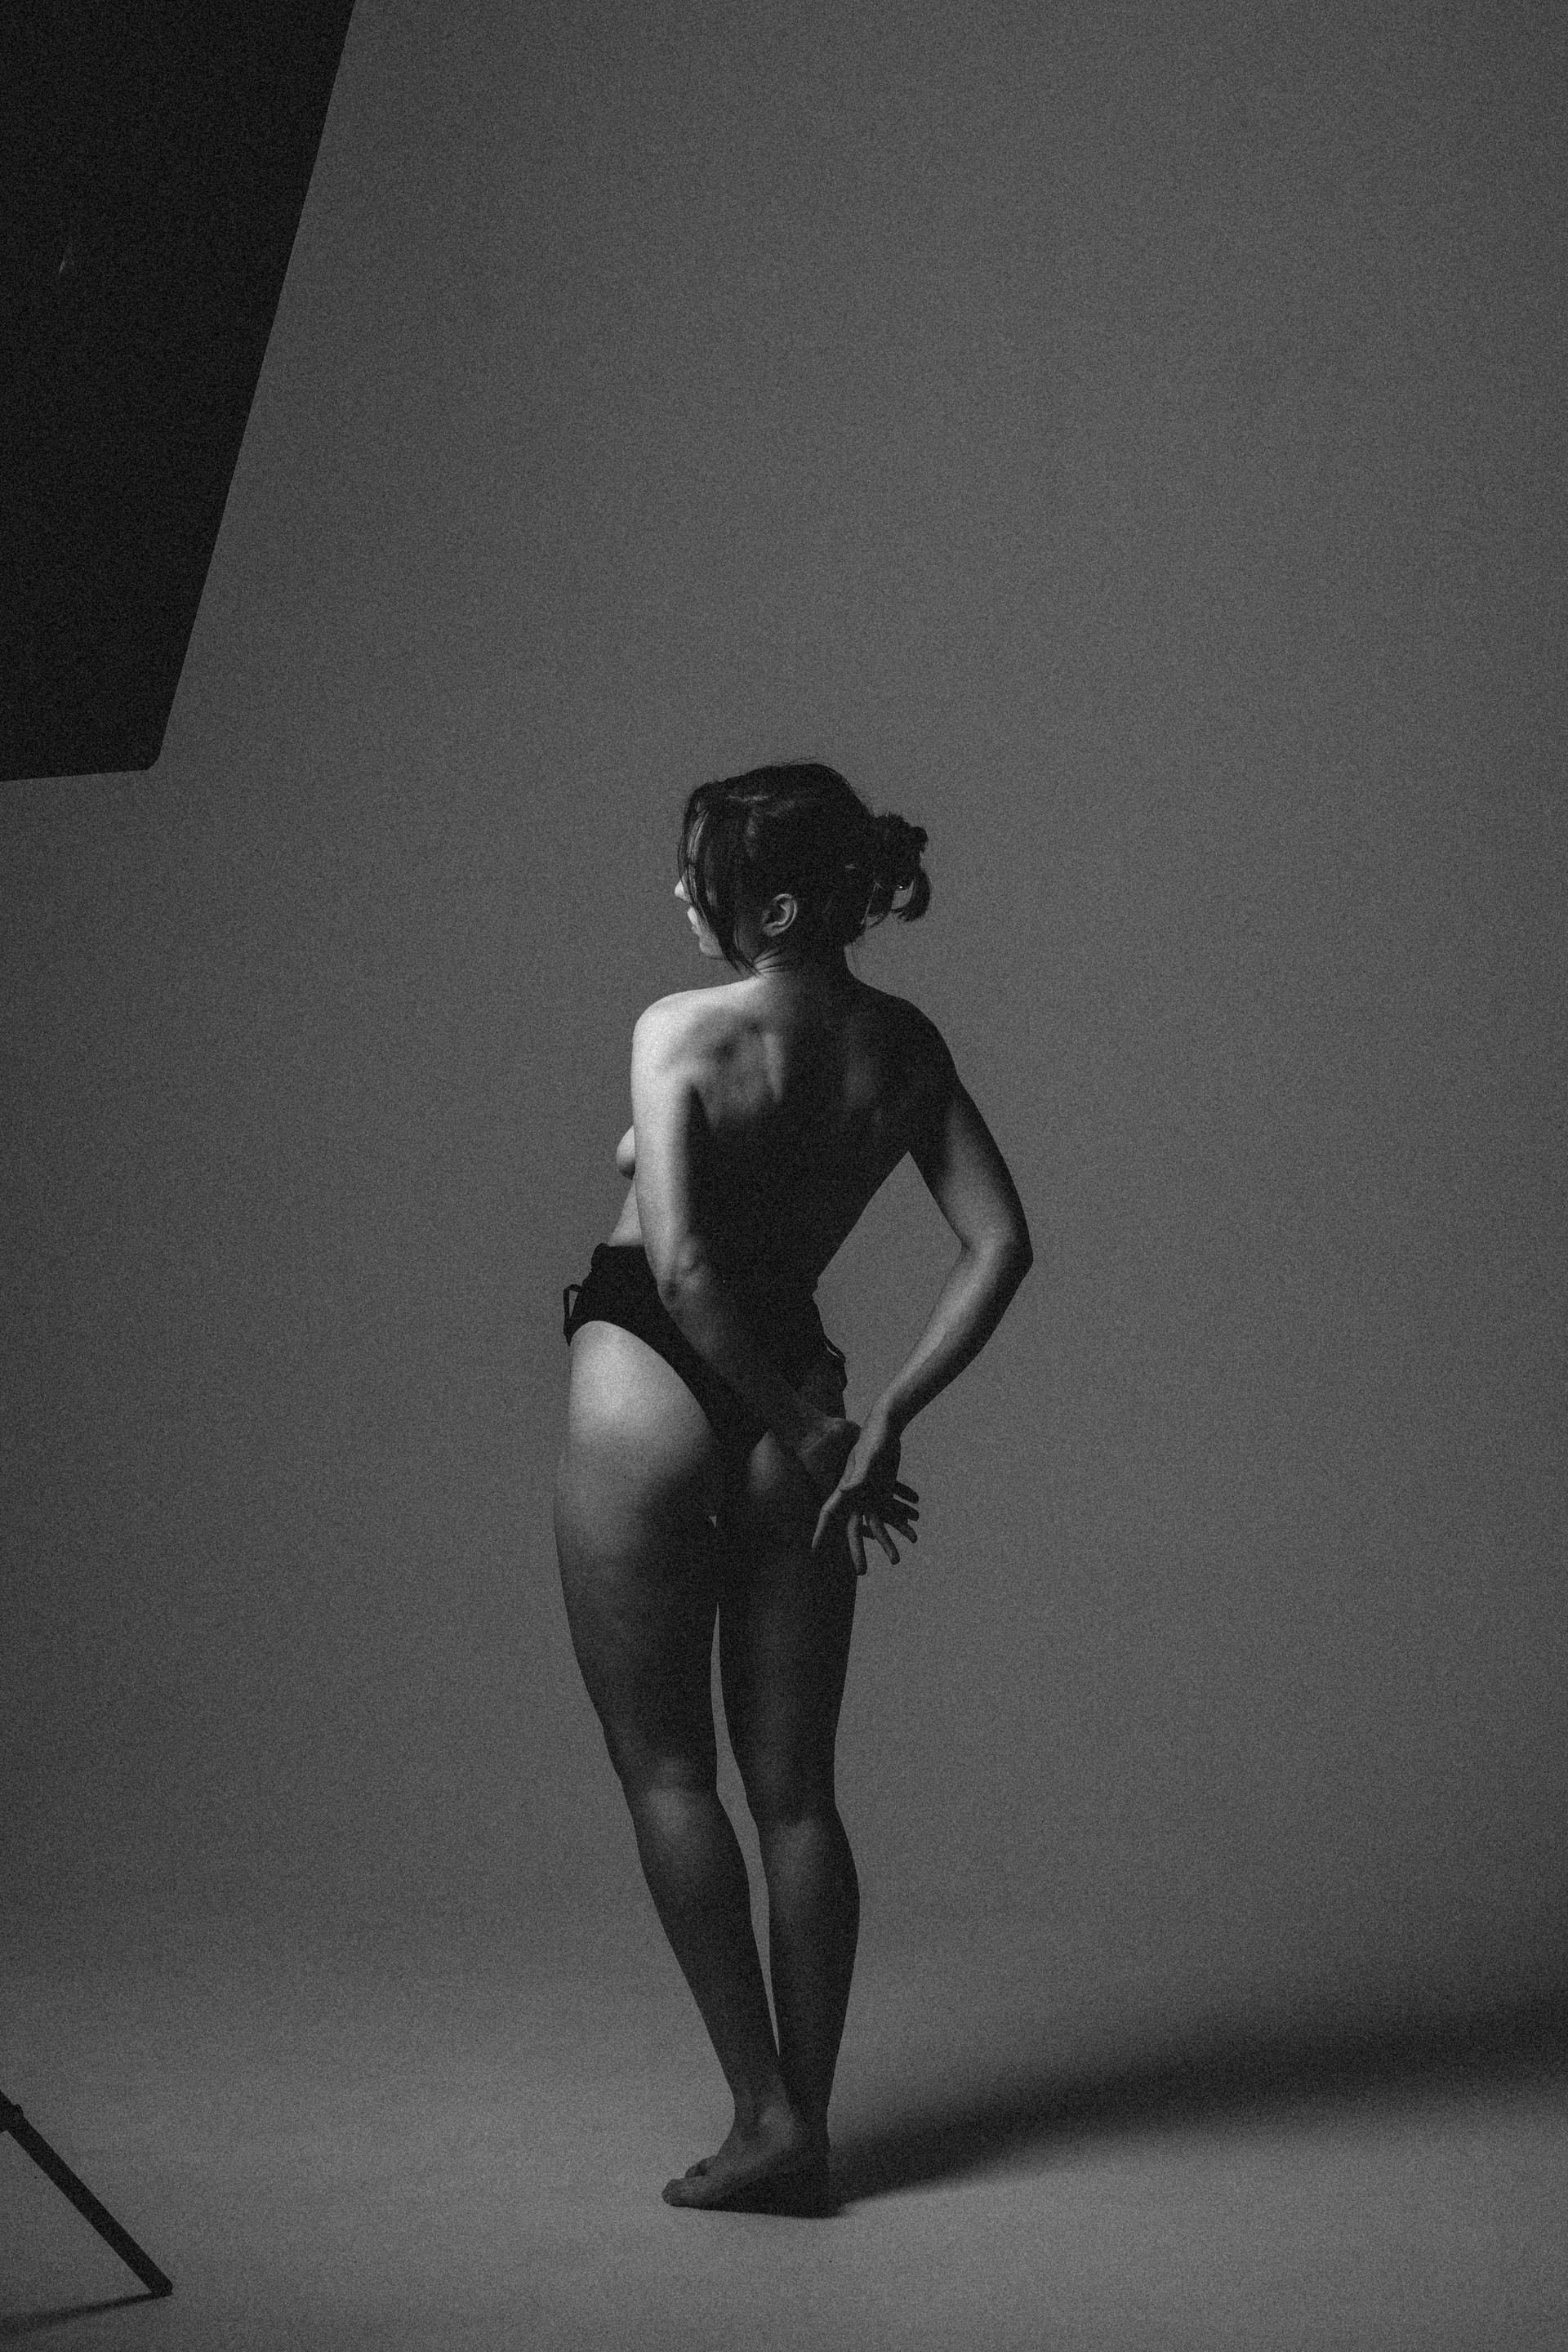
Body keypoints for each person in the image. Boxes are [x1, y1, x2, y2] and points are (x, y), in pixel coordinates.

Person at [554, 762, 1033, 2212]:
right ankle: (800, 2132)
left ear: (769, 908)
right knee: (798, 1796)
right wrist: (865, 1419)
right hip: (800, 1387)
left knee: (667, 1771)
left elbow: (688, 1271)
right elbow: (1002, 1244)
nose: (677, 894)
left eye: (698, 873)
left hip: (654, 1370)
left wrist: (816, 1435)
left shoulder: (679, 1029)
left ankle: (763, 2113)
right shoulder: (902, 1046)